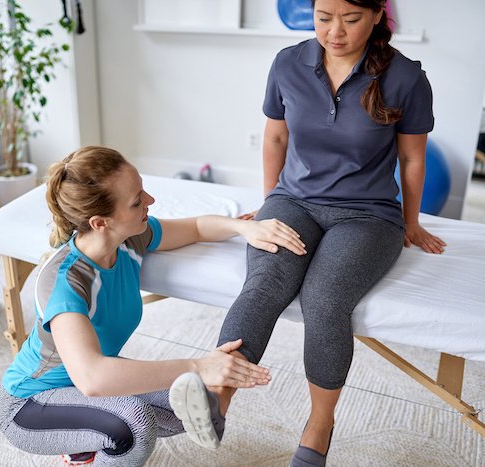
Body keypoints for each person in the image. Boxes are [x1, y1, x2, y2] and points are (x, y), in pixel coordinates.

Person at [169, 1, 446, 466]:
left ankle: (320, 424)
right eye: (323, 17)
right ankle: (217, 403)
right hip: (293, 201)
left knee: (324, 299)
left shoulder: (405, 77)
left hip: (367, 214)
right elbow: (275, 137)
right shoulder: (288, 63)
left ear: (378, 14)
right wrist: (269, 202)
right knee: (264, 285)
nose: (334, 32)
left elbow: (413, 159)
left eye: (351, 19)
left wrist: (412, 221)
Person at [0, 146, 306, 466]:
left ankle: (86, 442)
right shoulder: (66, 283)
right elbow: (93, 378)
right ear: (100, 222)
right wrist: (199, 364)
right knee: (133, 424)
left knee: (194, 400)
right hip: (29, 405)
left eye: (142, 189)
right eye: (136, 200)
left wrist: (244, 228)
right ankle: (90, 443)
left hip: (82, 388)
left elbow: (196, 227)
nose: (150, 201)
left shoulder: (129, 239)